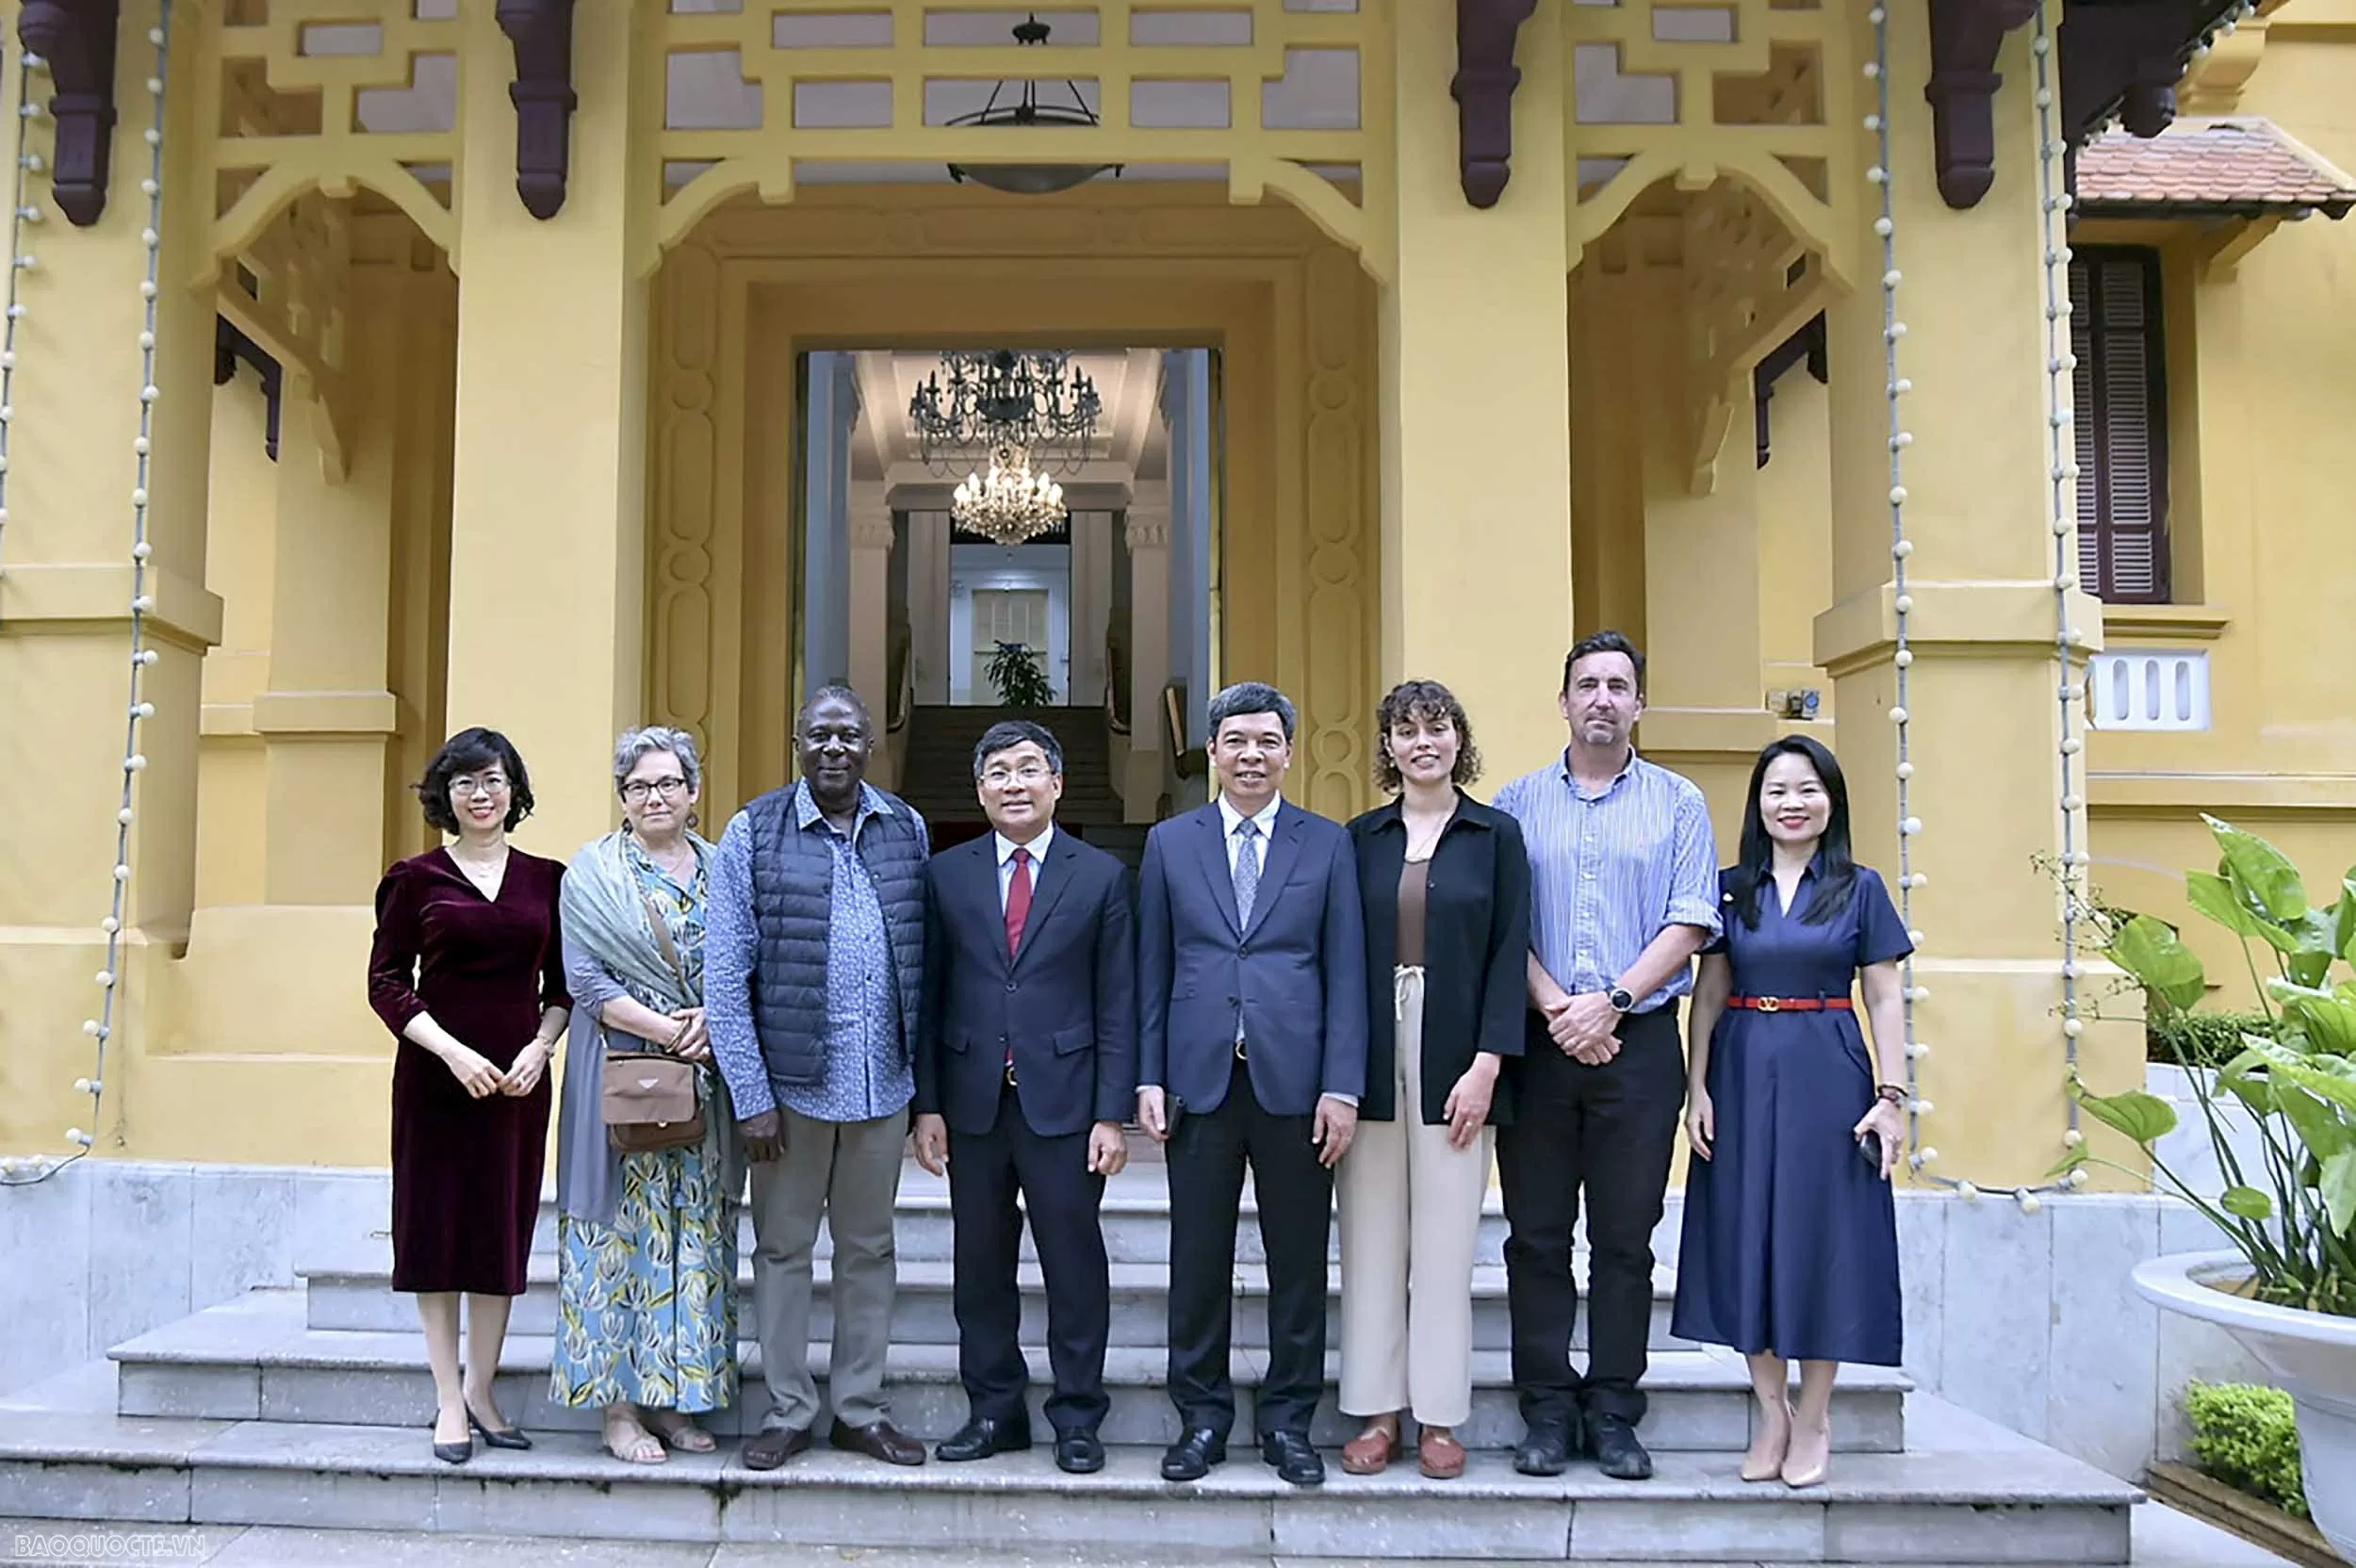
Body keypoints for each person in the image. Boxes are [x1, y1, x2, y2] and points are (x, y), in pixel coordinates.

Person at [1492, 630, 1719, 1481]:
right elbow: (1498, 926)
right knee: (1537, 1238)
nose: (1601, 699)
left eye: (1617, 686)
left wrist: (1612, 1001)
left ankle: (1616, 1411)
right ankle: (1547, 1411)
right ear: (1562, 702)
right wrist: (1558, 1007)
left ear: (1638, 704)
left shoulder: (1678, 802)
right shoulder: (1516, 804)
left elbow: (1692, 918)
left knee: (1627, 1239)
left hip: (1641, 1043)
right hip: (1542, 1044)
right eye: (1586, 684)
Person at [1136, 680, 1367, 1489]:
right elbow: (1152, 970)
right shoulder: (1171, 843)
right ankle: (1200, 1418)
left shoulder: (1328, 844)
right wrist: (1148, 1078)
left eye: (1267, 742)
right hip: (1198, 1082)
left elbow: (1347, 974)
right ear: (1212, 752)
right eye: (1236, 741)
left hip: (1296, 1085)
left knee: (1297, 1262)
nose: (1251, 756)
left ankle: (1288, 1421)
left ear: (1289, 752)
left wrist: (1342, 1086)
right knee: (1197, 1259)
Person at [1672, 735, 1910, 1489]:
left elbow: (1884, 994)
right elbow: (1708, 995)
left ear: (1830, 800)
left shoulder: (1860, 888)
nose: (1792, 804)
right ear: (1758, 804)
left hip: (1827, 1066)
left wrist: (1893, 1098)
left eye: (1807, 789)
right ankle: (1771, 1409)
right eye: (1777, 791)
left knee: (1822, 1241)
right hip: (1742, 1067)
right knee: (1748, 1236)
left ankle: (1814, 1416)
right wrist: (1696, 1089)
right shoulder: (1729, 887)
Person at [705, 685, 930, 1471]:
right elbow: (726, 976)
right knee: (783, 1250)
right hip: (791, 1094)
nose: (833, 748)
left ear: (870, 745)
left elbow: (922, 961)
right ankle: (791, 1409)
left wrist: (921, 1091)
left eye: (848, 736)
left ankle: (859, 1410)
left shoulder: (906, 828)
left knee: (870, 1249)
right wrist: (752, 1095)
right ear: (796, 743)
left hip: (882, 1089)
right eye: (818, 735)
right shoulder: (754, 831)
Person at [911, 719, 1137, 1476]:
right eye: (999, 772)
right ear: (980, 791)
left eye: (1029, 769)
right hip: (972, 1102)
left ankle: (1078, 1415)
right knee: (979, 1265)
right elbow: (930, 996)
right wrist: (927, 1104)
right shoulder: (944, 874)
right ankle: (993, 1410)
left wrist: (1113, 1112)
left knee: (1073, 1264)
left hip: (1068, 1105)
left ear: (1057, 783)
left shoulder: (1100, 875)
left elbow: (1118, 1000)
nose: (1015, 783)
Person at [1338, 679, 1530, 1480]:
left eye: (1438, 727)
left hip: (1458, 1049)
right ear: (1387, 746)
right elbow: (1339, 958)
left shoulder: (1496, 836)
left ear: (1459, 740)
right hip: (1371, 1046)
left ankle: (1442, 1416)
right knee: (1370, 1237)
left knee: (1446, 1244)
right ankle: (1378, 1412)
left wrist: (1488, 1064)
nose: (1423, 742)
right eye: (1407, 730)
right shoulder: (1359, 838)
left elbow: (1509, 951)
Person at [367, 727, 569, 1465]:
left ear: (514, 791)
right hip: (436, 1082)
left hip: (518, 1081)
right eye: (465, 783)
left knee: (498, 1231)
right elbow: (385, 983)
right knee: (436, 1236)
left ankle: (483, 1389)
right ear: (444, 796)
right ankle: (448, 1400)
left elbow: (563, 989)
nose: (481, 795)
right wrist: (452, 1053)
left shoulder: (549, 879)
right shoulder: (414, 878)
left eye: (493, 780)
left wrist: (539, 1050)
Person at [549, 727, 744, 1464]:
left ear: (695, 793)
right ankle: (619, 1410)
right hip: (620, 1076)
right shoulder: (591, 874)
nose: (654, 797)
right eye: (638, 786)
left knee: (694, 1235)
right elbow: (586, 982)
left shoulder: (728, 869)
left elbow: (746, 963)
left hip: (703, 1081)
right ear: (623, 798)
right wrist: (670, 1028)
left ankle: (674, 1399)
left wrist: (713, 1022)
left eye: (668, 783)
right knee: (615, 1239)